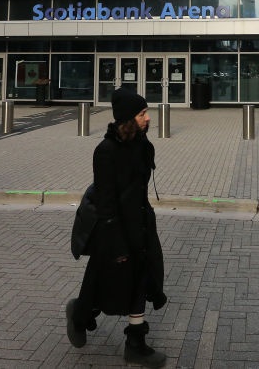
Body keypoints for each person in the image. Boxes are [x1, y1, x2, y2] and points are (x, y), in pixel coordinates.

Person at [67, 88, 167, 368]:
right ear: (127, 118)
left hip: (139, 225)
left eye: (147, 112)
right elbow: (106, 203)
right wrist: (117, 243)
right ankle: (79, 314)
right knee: (103, 282)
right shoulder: (106, 151)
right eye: (142, 114)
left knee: (141, 280)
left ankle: (135, 344)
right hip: (112, 230)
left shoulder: (142, 144)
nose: (148, 118)